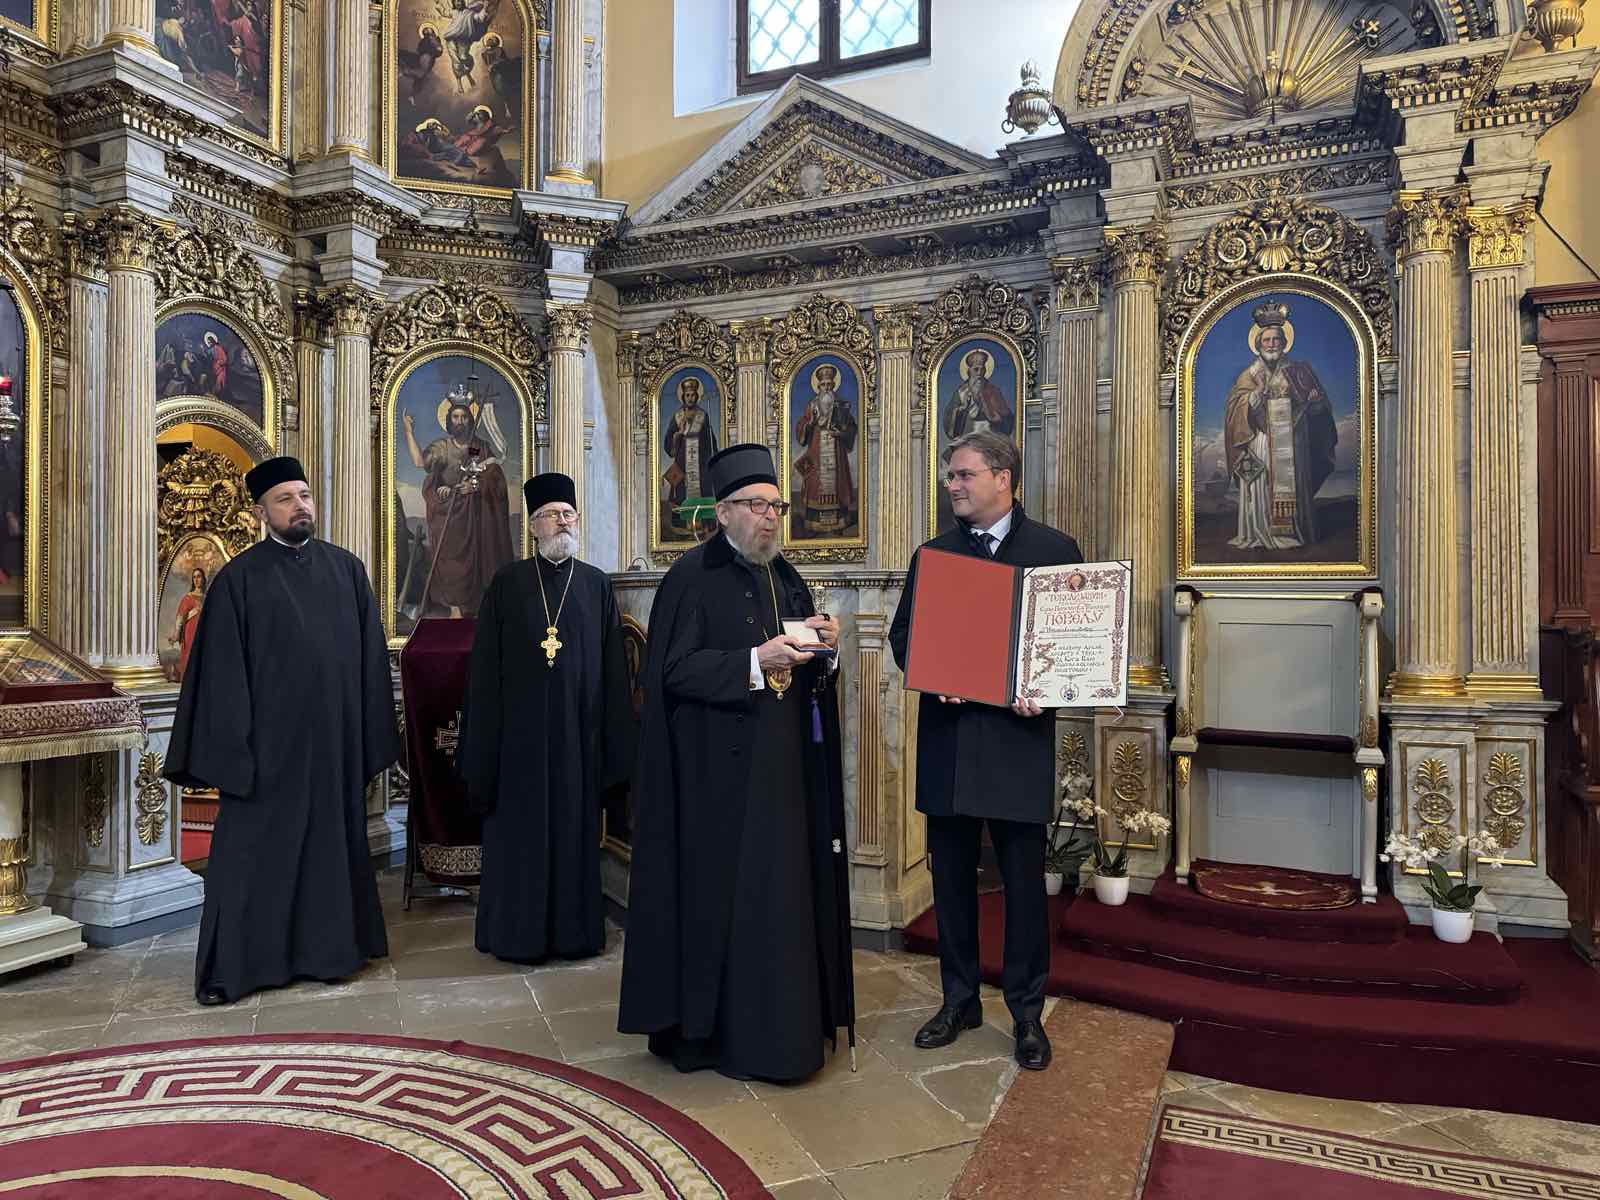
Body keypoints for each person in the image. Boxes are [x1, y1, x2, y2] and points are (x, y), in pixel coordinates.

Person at [619, 443, 855, 1083]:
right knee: (727, 907)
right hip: (716, 785)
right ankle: (720, 1037)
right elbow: (673, 671)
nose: (771, 517)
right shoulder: (690, 578)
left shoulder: (787, 576)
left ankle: (787, 1036)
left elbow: (809, 674)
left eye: (777, 506)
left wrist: (827, 650)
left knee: (783, 905)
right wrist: (756, 661)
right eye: (757, 506)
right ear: (723, 512)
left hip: (786, 780)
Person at [164, 456, 399, 1006]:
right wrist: (237, 753)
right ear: (261, 513)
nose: (300, 507)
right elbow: (220, 677)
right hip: (267, 756)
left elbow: (370, 663)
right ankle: (244, 967)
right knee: (253, 862)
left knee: (329, 855)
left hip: (333, 750)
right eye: (285, 499)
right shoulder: (238, 581)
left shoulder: (347, 571)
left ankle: (329, 955)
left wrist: (366, 740)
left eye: (305, 495)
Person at [888, 431, 1082, 1071]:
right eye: (951, 476)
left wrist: (1045, 692)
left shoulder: (1055, 552)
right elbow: (903, 636)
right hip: (950, 744)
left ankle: (1027, 1014)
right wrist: (933, 671)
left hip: (1018, 744)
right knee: (950, 882)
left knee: (1024, 888)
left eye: (963, 475)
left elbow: (1073, 644)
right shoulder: (933, 555)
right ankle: (959, 1000)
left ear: (1004, 477)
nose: (953, 485)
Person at [457, 473, 636, 963]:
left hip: (579, 740)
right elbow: (485, 671)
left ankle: (574, 935)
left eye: (568, 514)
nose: (563, 522)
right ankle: (517, 934)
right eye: (552, 515)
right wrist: (486, 745)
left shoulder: (596, 585)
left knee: (575, 836)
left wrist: (613, 744)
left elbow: (613, 672)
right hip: (519, 745)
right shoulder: (507, 584)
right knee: (520, 839)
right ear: (533, 526)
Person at [1223, 300, 1338, 550]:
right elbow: (1236, 407)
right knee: (1262, 485)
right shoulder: (1248, 375)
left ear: (1285, 343)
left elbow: (1319, 409)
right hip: (1261, 440)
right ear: (1258, 344)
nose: (1272, 344)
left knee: (1291, 484)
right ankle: (1260, 531)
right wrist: (1257, 393)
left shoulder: (1300, 371)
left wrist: (1315, 403)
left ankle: (1293, 531)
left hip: (1293, 440)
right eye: (1267, 340)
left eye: (1276, 339)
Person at [402, 386, 513, 618]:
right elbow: (420, 463)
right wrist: (408, 431)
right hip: (447, 512)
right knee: (449, 561)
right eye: (455, 417)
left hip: (472, 514)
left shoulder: (477, 446)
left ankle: (472, 608)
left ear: (470, 419)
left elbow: (493, 475)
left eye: (463, 417)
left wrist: (475, 486)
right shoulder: (442, 447)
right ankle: (454, 608)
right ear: (448, 420)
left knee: (474, 560)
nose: (459, 421)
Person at [793, 363, 858, 536]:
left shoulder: (841, 405)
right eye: (823, 385)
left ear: (834, 385)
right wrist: (810, 423)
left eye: (829, 384)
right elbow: (801, 426)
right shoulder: (812, 405)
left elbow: (852, 427)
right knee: (815, 483)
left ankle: (839, 523)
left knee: (837, 483)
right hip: (817, 450)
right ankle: (815, 524)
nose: (827, 387)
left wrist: (842, 433)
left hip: (836, 450)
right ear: (818, 386)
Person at [662, 376, 718, 531]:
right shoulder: (677, 416)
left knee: (703, 488)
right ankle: (683, 524)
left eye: (693, 395)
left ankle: (704, 524)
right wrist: (678, 434)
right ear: (683, 397)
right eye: (687, 395)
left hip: (700, 463)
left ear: (697, 396)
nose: (690, 398)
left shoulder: (703, 415)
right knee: (682, 491)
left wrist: (713, 457)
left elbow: (709, 439)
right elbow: (669, 440)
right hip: (682, 462)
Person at [942, 348, 1015, 441]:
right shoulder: (961, 391)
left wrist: (991, 411)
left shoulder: (993, 390)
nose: (979, 373)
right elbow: (948, 418)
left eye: (982, 369)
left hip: (988, 436)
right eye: (976, 369)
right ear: (969, 371)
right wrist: (961, 409)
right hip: (967, 437)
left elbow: (1006, 418)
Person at [171, 565, 207, 680]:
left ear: (203, 579)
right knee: (190, 655)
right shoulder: (188, 598)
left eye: (199, 576)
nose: (196, 579)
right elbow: (180, 617)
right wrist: (176, 634)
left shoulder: (206, 597)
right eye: (194, 577)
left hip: (204, 632)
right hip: (190, 632)